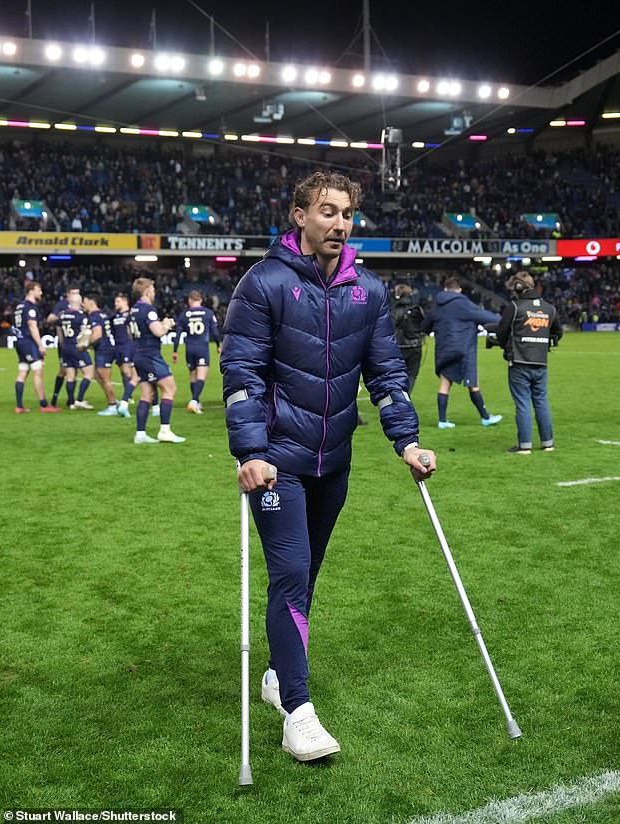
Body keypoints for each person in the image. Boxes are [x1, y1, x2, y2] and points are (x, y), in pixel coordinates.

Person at [220, 170, 436, 763]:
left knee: (306, 575)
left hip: (333, 462)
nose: (339, 223)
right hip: (277, 465)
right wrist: (251, 452)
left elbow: (386, 375)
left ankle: (274, 674)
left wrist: (407, 442)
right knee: (289, 574)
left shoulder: (367, 290)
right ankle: (299, 709)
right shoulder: (262, 284)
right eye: (327, 211)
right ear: (299, 216)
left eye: (346, 214)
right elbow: (240, 376)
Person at [420, 276, 503, 429]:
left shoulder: (437, 305)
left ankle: (442, 420)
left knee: (444, 384)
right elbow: (487, 317)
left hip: (444, 350)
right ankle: (485, 417)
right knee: (473, 384)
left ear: (445, 289)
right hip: (464, 349)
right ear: (459, 290)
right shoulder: (463, 302)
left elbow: (425, 326)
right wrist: (505, 319)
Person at [495, 271, 563, 454]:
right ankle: (548, 443)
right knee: (541, 401)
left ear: (518, 288)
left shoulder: (515, 307)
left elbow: (501, 333)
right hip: (541, 362)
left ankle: (525, 445)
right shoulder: (550, 308)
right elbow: (558, 332)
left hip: (519, 361)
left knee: (523, 403)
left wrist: (505, 346)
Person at [128, 277, 185, 444]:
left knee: (147, 393)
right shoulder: (148, 309)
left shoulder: (133, 310)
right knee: (170, 387)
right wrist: (166, 324)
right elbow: (158, 332)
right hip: (150, 356)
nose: (154, 293)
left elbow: (131, 333)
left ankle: (140, 434)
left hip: (138, 354)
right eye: (152, 290)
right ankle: (165, 431)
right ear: (146, 291)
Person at [12, 280, 62, 414]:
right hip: (28, 342)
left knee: (23, 371)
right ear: (31, 291)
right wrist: (40, 345)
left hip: (19, 342)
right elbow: (32, 325)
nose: (41, 293)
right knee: (38, 370)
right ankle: (44, 405)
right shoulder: (30, 307)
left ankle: (19, 406)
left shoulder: (19, 306)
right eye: (39, 290)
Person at [172, 290, 221, 414]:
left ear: (189, 300)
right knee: (201, 376)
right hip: (202, 347)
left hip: (189, 348)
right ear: (201, 300)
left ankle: (197, 402)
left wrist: (175, 351)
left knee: (193, 376)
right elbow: (215, 332)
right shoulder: (208, 313)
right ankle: (193, 401)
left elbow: (178, 335)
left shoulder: (184, 315)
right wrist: (218, 345)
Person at [82, 292, 119, 417]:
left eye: (84, 302)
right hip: (106, 348)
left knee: (105, 379)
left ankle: (113, 406)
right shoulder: (102, 314)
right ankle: (113, 399)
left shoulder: (94, 316)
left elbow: (97, 334)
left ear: (91, 302)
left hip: (104, 350)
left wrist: (85, 344)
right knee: (97, 376)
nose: (83, 305)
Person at [58, 293, 95, 410]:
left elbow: (59, 330)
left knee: (70, 375)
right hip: (77, 347)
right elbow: (84, 333)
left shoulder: (62, 315)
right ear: (79, 303)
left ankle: (71, 402)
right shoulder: (81, 317)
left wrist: (62, 343)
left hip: (65, 346)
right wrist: (87, 346)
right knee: (89, 373)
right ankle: (79, 399)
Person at [46, 284, 81, 408]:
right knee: (64, 370)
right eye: (73, 293)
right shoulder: (62, 305)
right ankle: (55, 397)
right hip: (65, 344)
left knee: (74, 371)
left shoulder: (79, 305)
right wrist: (60, 316)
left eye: (77, 292)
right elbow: (50, 319)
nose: (76, 295)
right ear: (68, 295)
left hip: (77, 345)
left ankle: (70, 400)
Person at [390, 283, 425, 392]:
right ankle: (406, 397)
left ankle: (400, 399)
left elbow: (390, 327)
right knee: (412, 375)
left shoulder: (395, 310)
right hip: (416, 346)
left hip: (400, 346)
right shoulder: (417, 309)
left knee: (397, 375)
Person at [111, 292, 138, 419]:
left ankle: (127, 397)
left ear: (125, 302)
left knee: (128, 372)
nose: (116, 304)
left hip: (127, 346)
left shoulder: (130, 314)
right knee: (122, 371)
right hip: (118, 346)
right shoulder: (115, 316)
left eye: (118, 301)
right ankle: (130, 396)